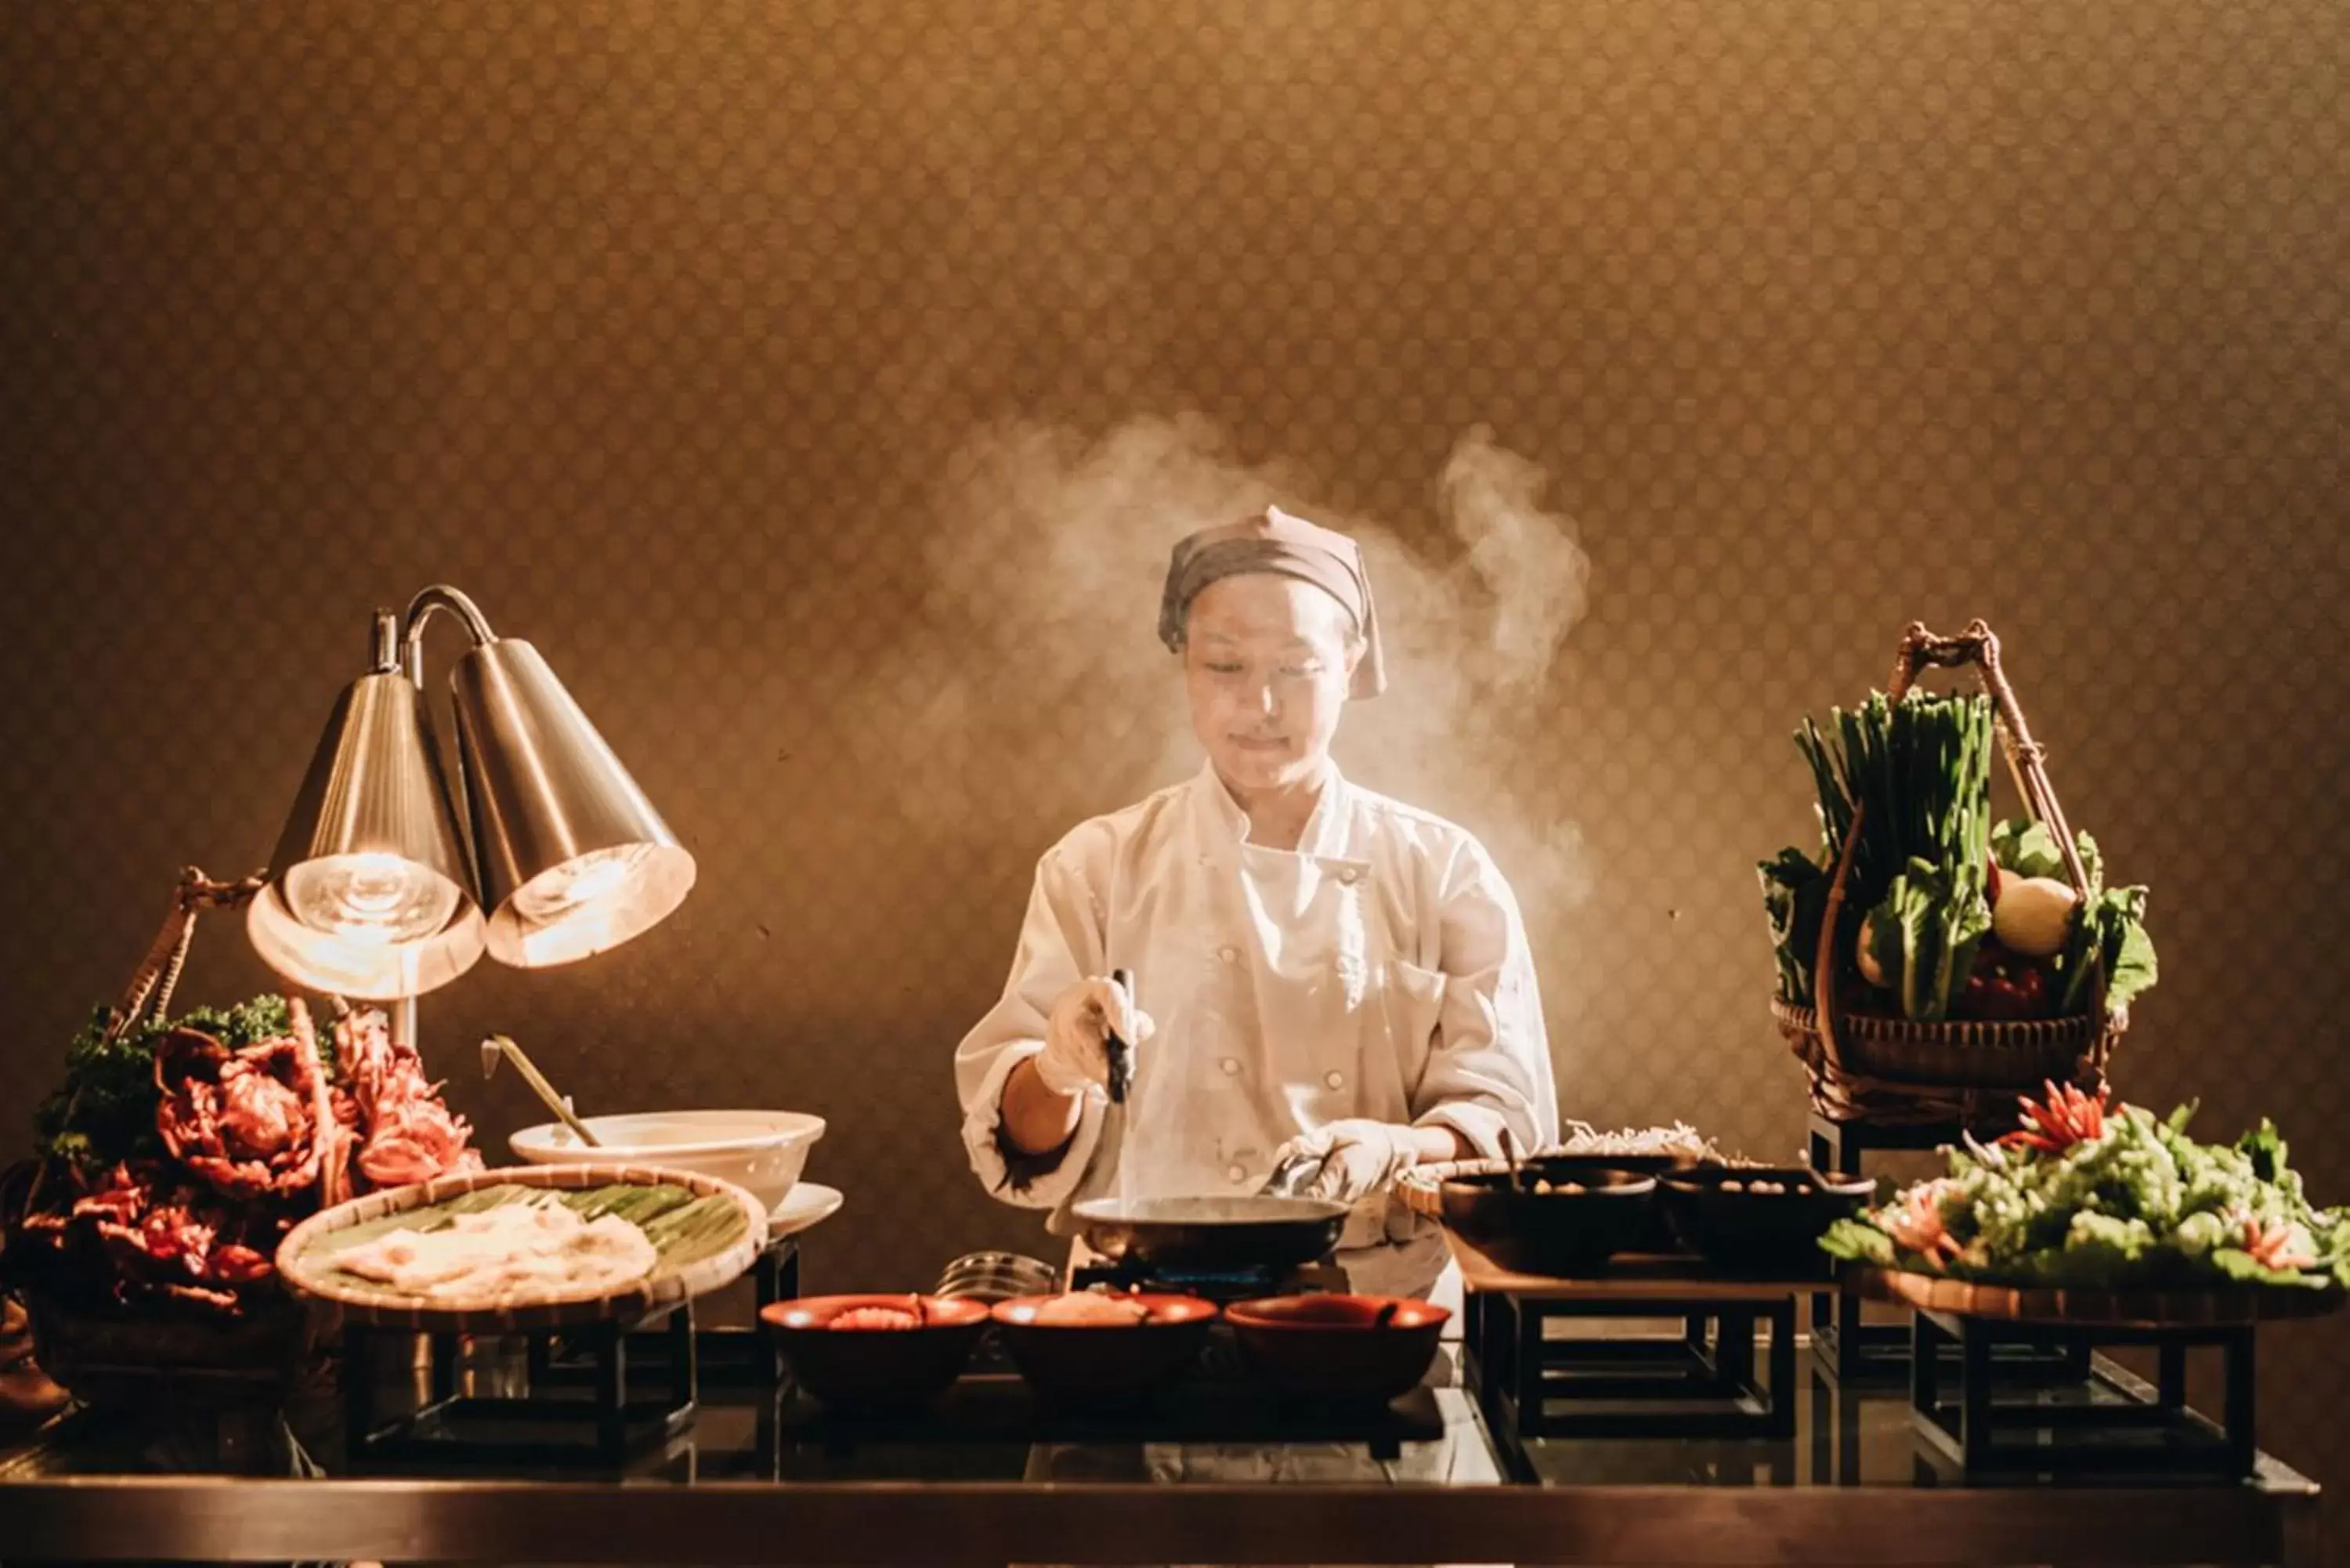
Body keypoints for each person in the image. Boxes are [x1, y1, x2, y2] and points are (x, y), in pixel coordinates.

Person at [955, 504, 1558, 1301]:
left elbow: (1506, 1118)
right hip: (1141, 1311)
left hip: (1379, 1313)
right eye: (1225, 666)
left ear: (1349, 664)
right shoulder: (1096, 865)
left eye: (1297, 667)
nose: (1260, 704)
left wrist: (1395, 1146)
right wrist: (1058, 1069)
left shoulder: (1444, 871)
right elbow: (1020, 1146)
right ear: (1185, 667)